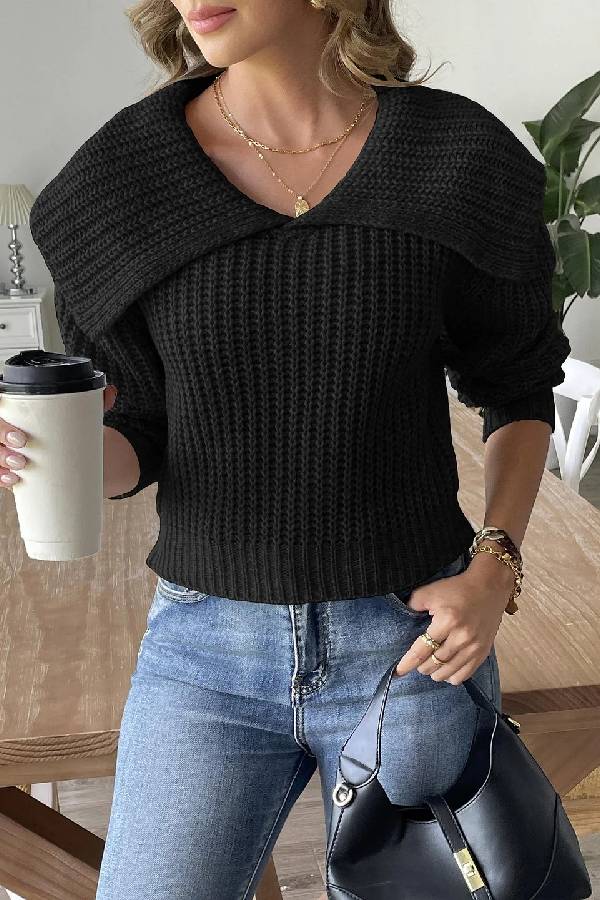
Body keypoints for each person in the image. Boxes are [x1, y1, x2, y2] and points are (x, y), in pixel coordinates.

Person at [3, 0, 570, 896]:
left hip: (411, 644)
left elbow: (517, 387)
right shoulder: (118, 185)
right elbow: (137, 437)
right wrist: (50, 458)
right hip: (205, 654)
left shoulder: (455, 158)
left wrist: (495, 565)